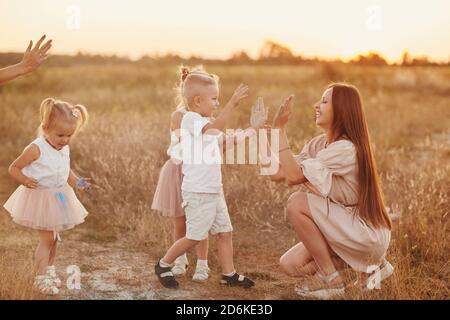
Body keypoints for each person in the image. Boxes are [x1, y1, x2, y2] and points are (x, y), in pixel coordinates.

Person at [259, 84, 393, 298]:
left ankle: (331, 279)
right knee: (290, 265)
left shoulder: (346, 148)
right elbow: (277, 173)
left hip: (364, 231)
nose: (316, 105)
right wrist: (262, 136)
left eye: (324, 101)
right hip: (342, 226)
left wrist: (280, 130)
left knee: (297, 202)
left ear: (341, 109)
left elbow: (294, 178)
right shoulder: (318, 144)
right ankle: (371, 269)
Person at [154, 68, 254, 289]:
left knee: (225, 232)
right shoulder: (190, 119)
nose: (217, 103)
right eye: (215, 99)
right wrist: (232, 103)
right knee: (194, 237)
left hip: (214, 190)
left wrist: (252, 130)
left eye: (219, 99)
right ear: (197, 101)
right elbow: (215, 129)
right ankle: (163, 264)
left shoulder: (205, 121)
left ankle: (229, 274)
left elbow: (225, 140)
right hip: (198, 191)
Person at [3, 97, 90, 295]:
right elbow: (13, 168)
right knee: (47, 239)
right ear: (45, 128)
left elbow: (65, 170)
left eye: (70, 135)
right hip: (41, 199)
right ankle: (40, 278)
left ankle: (49, 271)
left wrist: (77, 182)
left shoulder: (63, 147)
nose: (66, 140)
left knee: (55, 238)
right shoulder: (36, 148)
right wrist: (24, 180)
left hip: (59, 197)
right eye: (61, 135)